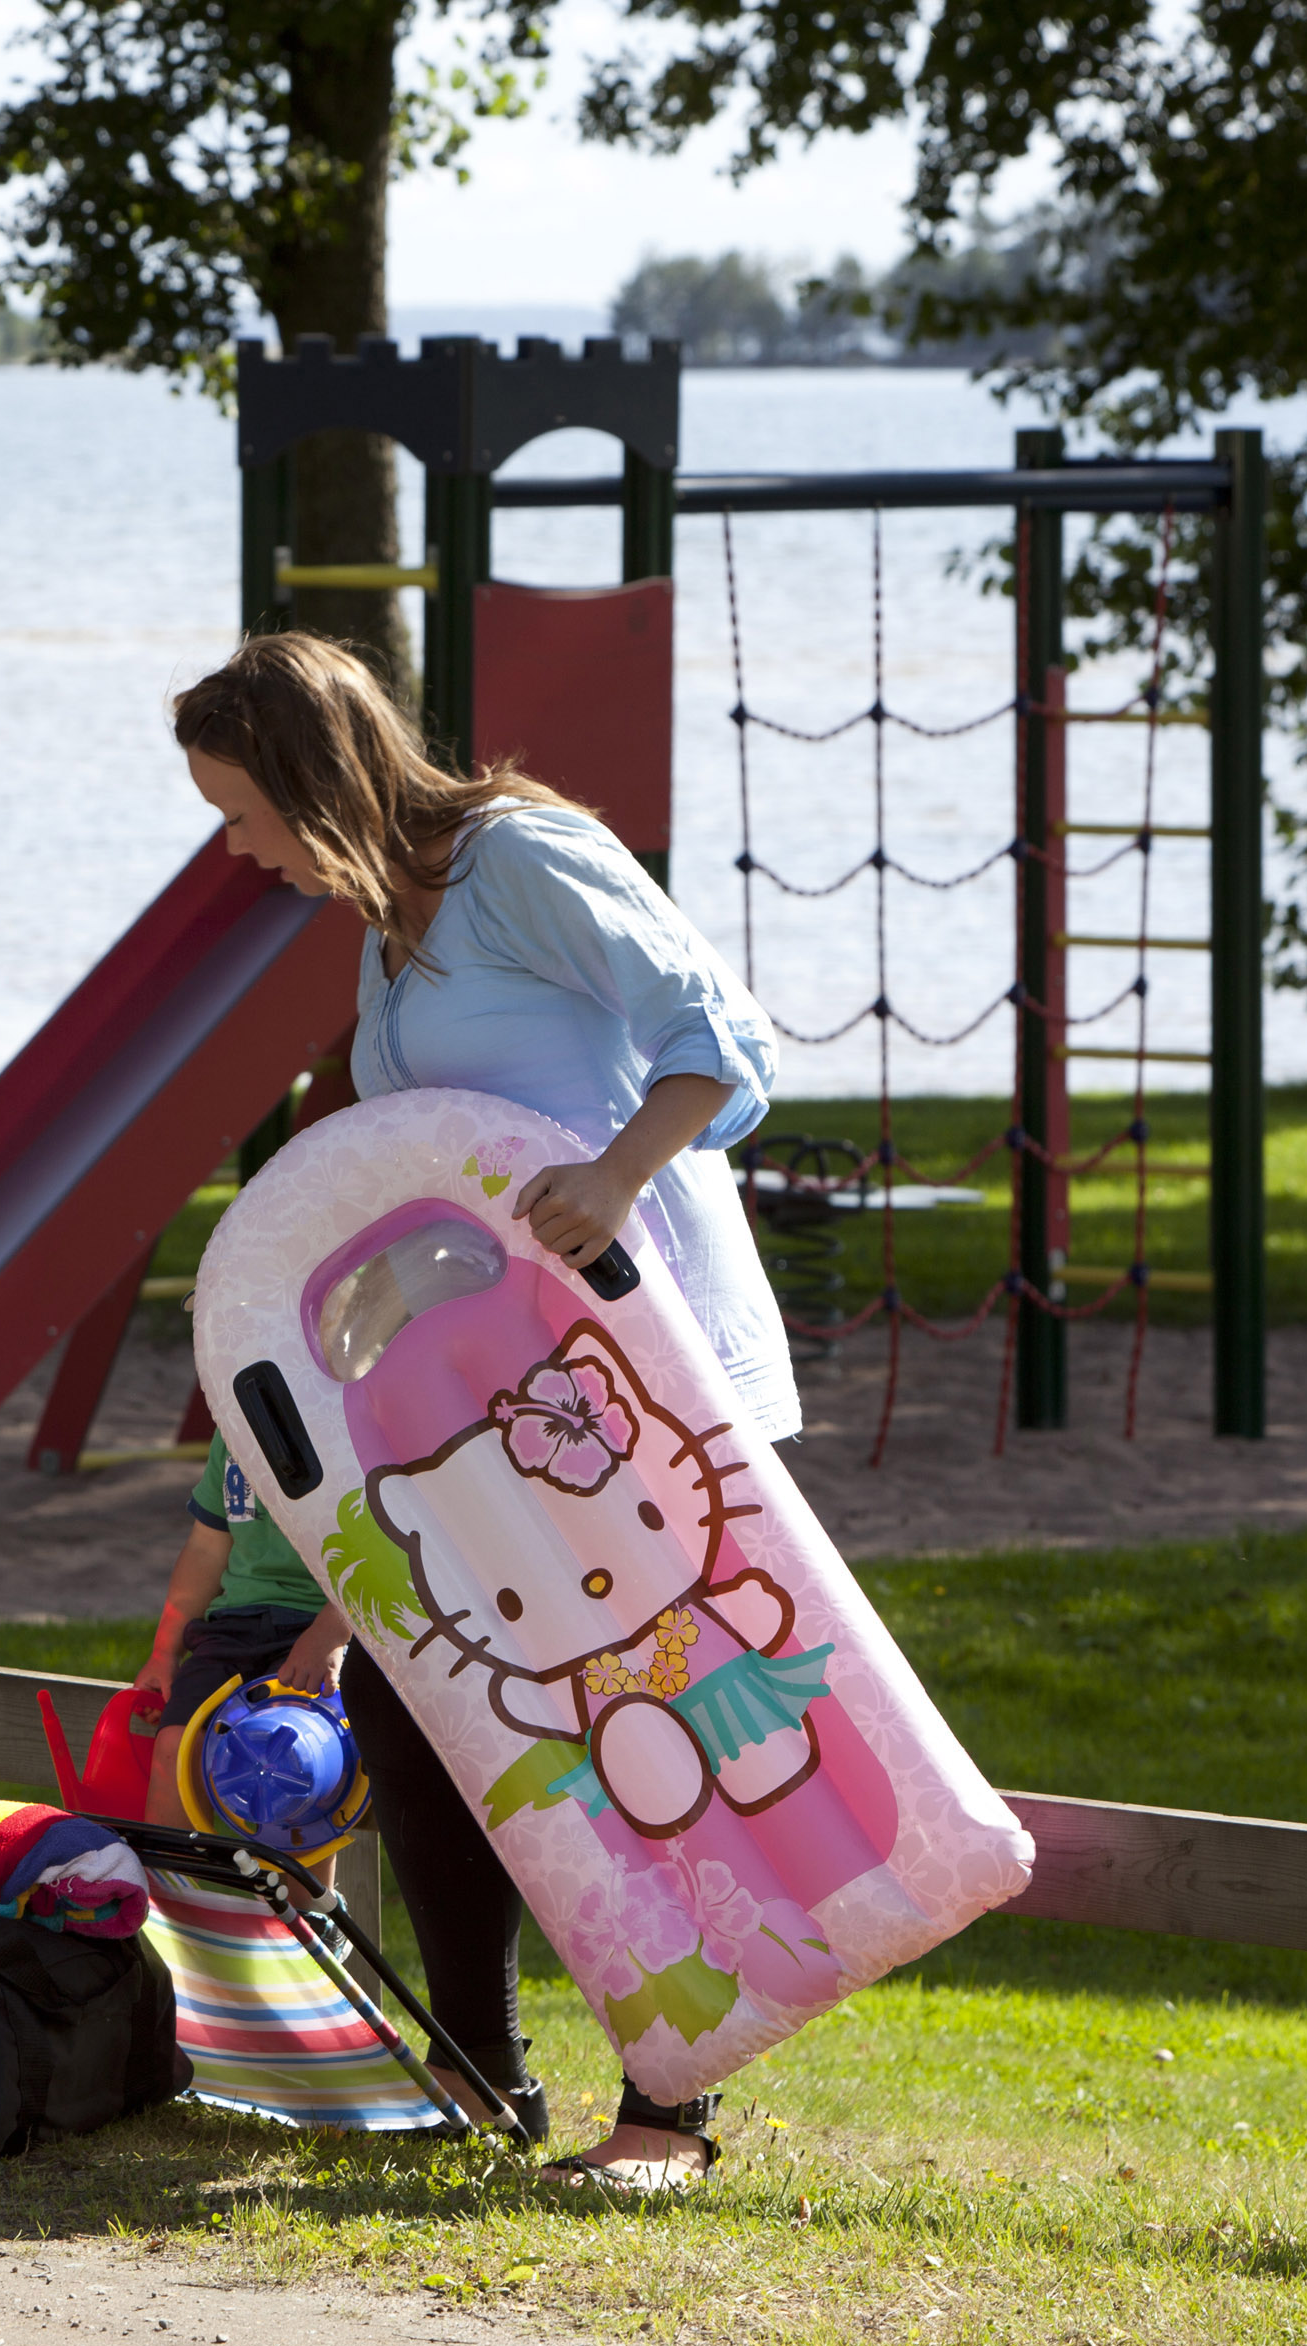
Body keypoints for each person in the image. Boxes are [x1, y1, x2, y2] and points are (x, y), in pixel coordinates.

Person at [171, 630, 795, 2195]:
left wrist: (613, 1175)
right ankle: (476, 2070)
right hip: (496, 1392)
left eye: (245, 815)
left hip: (637, 1373)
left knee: (624, 1715)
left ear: (318, 780)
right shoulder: (388, 924)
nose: (238, 852)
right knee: (418, 1694)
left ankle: (669, 2107)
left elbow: (720, 1039)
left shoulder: (521, 859)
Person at [133, 1433, 349, 1827]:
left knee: (295, 1751)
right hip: (233, 1625)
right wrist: (165, 1652)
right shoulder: (233, 1420)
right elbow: (205, 1549)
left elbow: (387, 1544)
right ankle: (169, 1885)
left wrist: (330, 1633)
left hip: (319, 1623)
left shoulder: (349, 1414)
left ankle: (306, 1892)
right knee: (175, 1744)